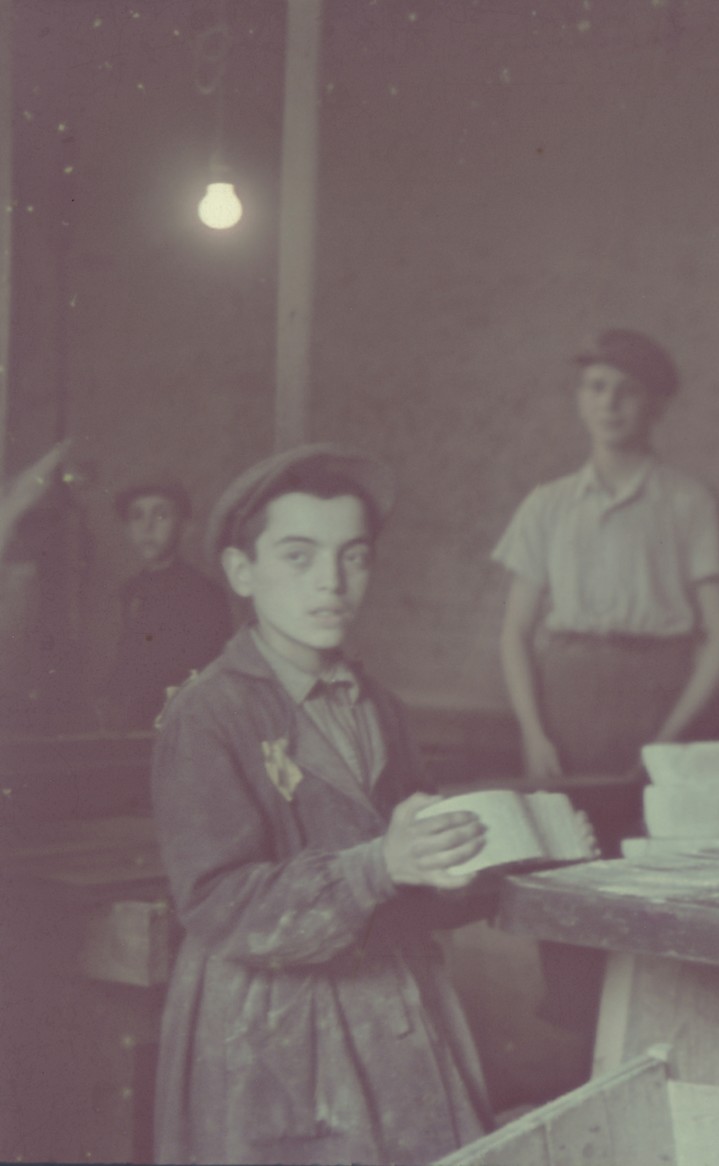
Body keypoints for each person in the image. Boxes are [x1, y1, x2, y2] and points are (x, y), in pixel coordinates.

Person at [151, 444, 494, 1165]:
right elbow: (218, 903)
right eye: (299, 557)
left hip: (393, 1011)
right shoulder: (209, 713)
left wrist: (479, 860)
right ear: (242, 573)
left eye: (355, 556)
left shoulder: (380, 707)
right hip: (272, 1033)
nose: (332, 583)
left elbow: (409, 875)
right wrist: (378, 867)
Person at [492, 327, 719, 1042]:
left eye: (627, 390)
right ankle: (573, 1034)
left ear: (655, 406)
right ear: (580, 400)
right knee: (566, 864)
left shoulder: (688, 501)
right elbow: (513, 632)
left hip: (660, 698)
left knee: (651, 868)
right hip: (567, 703)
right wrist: (535, 732)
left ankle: (653, 1035)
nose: (610, 403)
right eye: (596, 387)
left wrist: (670, 737)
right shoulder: (547, 504)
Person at [98, 477, 233, 729]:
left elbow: (212, 675)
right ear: (127, 528)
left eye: (161, 516)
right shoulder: (129, 591)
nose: (147, 527)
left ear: (183, 526)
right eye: (137, 517)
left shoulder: (203, 593)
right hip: (133, 722)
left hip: (184, 722)